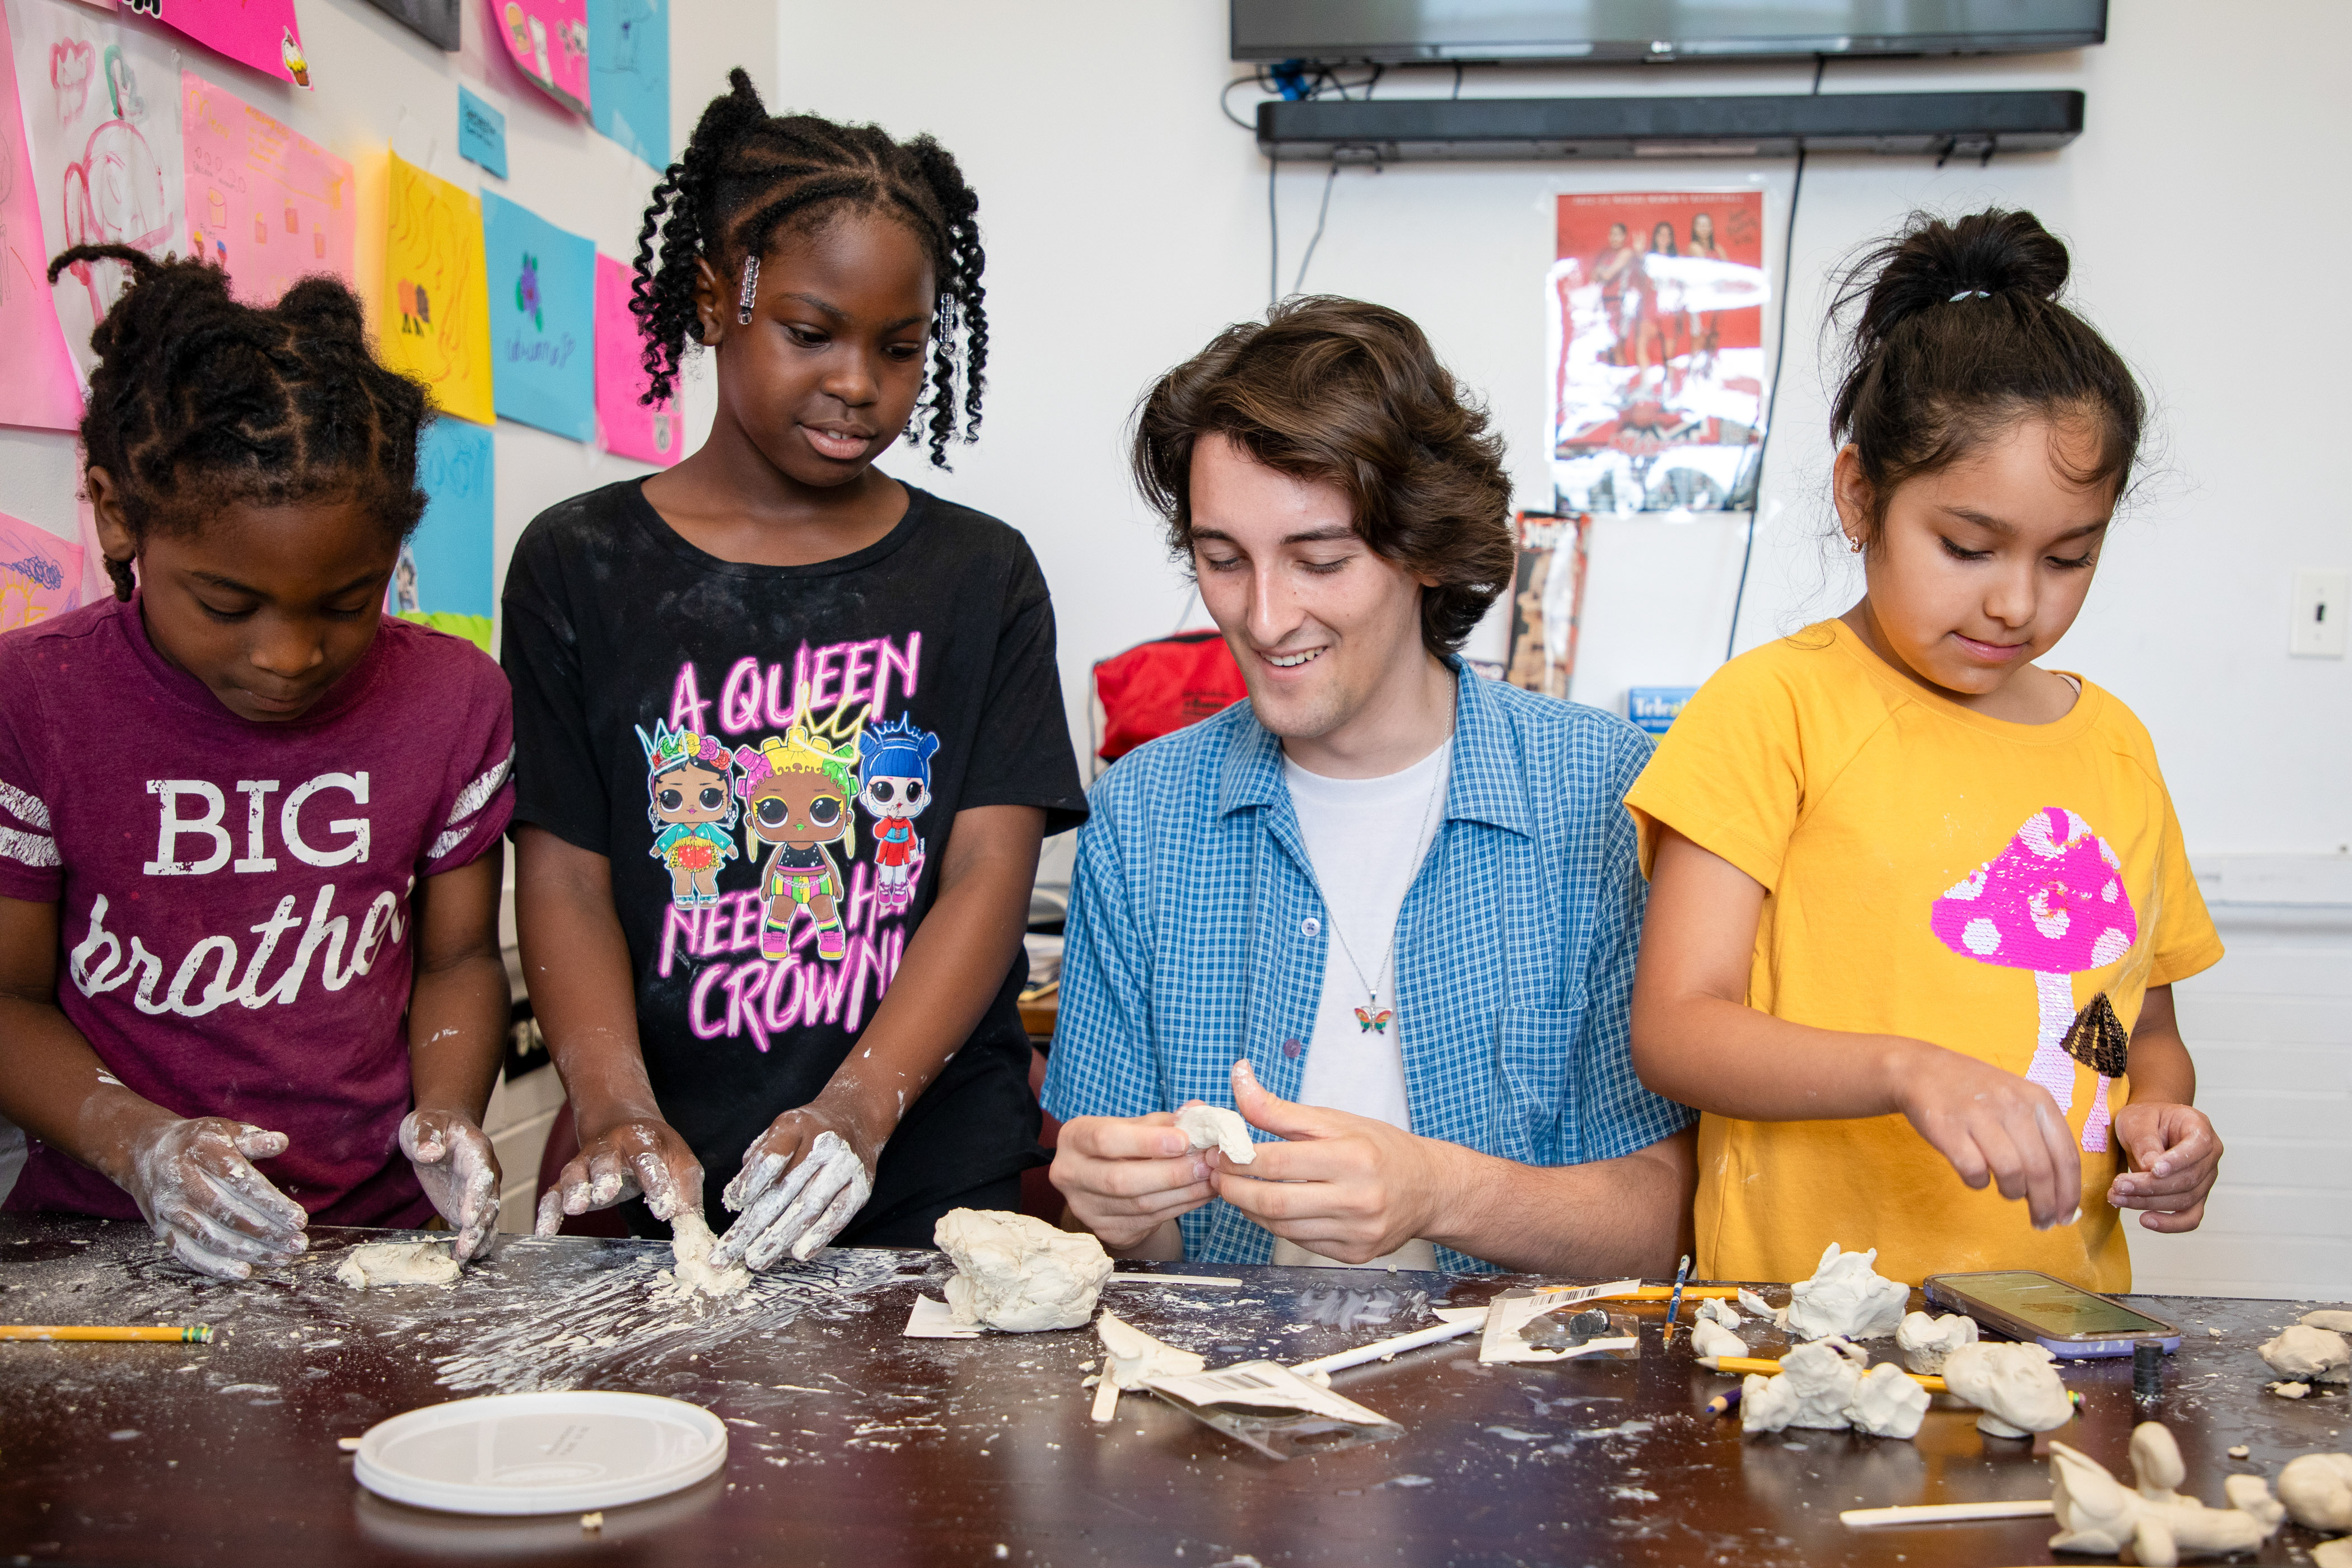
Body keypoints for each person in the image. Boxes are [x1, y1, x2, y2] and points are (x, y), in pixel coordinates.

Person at [507, 72, 1085, 1272]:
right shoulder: (581, 564)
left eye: (901, 347)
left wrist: (860, 1106)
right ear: (717, 298)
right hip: (660, 1162)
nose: (859, 384)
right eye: (811, 333)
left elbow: (987, 867)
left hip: (927, 1159)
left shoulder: (981, 577)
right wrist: (614, 1101)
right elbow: (563, 874)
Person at [1626, 209, 2224, 1291]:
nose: (2014, 602)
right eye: (1966, 546)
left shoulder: (2117, 747)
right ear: (1861, 497)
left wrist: (2165, 1121)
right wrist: (1908, 1072)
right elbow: (1678, 1029)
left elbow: (2146, 1031)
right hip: (1802, 1322)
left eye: (2068, 558)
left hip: (2057, 1324)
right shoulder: (1773, 709)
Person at [1042, 297, 1695, 1275]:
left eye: (1321, 560)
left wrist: (1440, 1192)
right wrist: (1112, 1210)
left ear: (1426, 550)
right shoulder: (1144, 816)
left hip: (1516, 1408)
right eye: (1224, 561)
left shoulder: (1600, 792)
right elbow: (1120, 1256)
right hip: (1228, 1402)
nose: (1263, 618)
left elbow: (1659, 1228)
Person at [0, 249, 514, 1279]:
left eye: (346, 603)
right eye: (226, 607)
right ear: (114, 512)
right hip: (105, 1240)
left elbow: (458, 960)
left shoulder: (455, 701)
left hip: (372, 1240)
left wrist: (449, 1114)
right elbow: (6, 995)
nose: (289, 657)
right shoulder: (37, 701)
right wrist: (141, 1145)